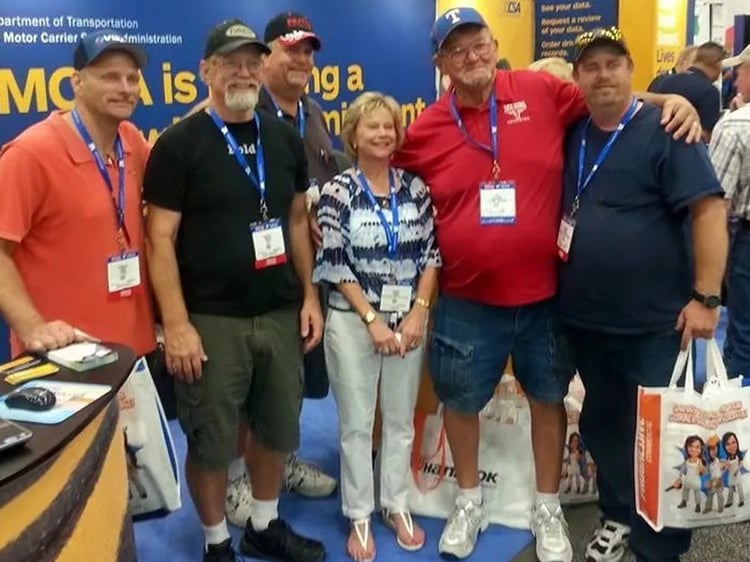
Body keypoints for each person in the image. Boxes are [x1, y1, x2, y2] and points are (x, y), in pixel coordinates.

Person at [312, 7, 700, 562]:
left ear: (494, 46)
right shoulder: (425, 130)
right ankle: (468, 501)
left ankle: (547, 505)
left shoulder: (541, 92)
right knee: (461, 402)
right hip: (468, 302)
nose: (471, 57)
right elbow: (375, 170)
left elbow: (607, 97)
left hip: (545, 298)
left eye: (479, 45)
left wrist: (669, 101)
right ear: (440, 63)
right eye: (457, 50)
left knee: (547, 399)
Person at [143, 19, 325, 562]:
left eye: (251, 62)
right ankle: (216, 541)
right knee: (212, 440)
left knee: (276, 428)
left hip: (279, 311)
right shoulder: (179, 144)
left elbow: (297, 220)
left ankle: (264, 525)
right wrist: (176, 325)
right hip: (211, 319)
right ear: (206, 70)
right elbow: (159, 238)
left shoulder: (283, 138)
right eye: (230, 62)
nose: (243, 72)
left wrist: (309, 296)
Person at [558, 27, 727, 562]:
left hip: (656, 324)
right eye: (591, 67)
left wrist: (707, 298)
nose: (603, 75)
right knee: (603, 425)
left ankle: (659, 546)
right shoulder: (573, 131)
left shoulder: (668, 130)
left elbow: (709, 210)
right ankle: (616, 514)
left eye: (613, 64)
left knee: (661, 437)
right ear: (578, 77)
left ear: (631, 68)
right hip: (587, 321)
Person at [221, 10, 339, 528]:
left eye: (308, 51)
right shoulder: (240, 112)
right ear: (265, 57)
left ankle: (281, 460)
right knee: (245, 386)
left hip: (305, 271)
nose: (302, 60)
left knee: (286, 382)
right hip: (252, 276)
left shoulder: (312, 114)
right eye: (291, 49)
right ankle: (235, 479)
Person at [314, 91, 441, 561]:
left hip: (407, 321)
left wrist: (418, 312)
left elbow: (432, 254)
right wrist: (371, 320)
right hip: (354, 323)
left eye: (389, 126)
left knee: (401, 419)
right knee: (357, 424)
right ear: (353, 135)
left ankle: (395, 503)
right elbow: (334, 262)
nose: (383, 134)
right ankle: (360, 514)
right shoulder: (337, 191)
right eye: (373, 126)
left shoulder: (415, 189)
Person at [0, 31, 155, 358]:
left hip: (135, 352)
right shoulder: (31, 154)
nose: (125, 88)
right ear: (77, 82)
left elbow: (182, 151)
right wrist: (32, 327)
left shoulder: (131, 141)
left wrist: (219, 99)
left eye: (132, 79)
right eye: (110, 77)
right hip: (66, 356)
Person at [709, 44, 750, 380]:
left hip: (746, 242)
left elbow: (716, 203)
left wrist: (710, 269)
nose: (735, 80)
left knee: (744, 335)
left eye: (741, 71)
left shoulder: (736, 125)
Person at [649, 42, 725, 141]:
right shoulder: (710, 92)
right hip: (687, 146)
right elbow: (706, 137)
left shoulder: (666, 81)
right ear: (718, 64)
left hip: (657, 143)